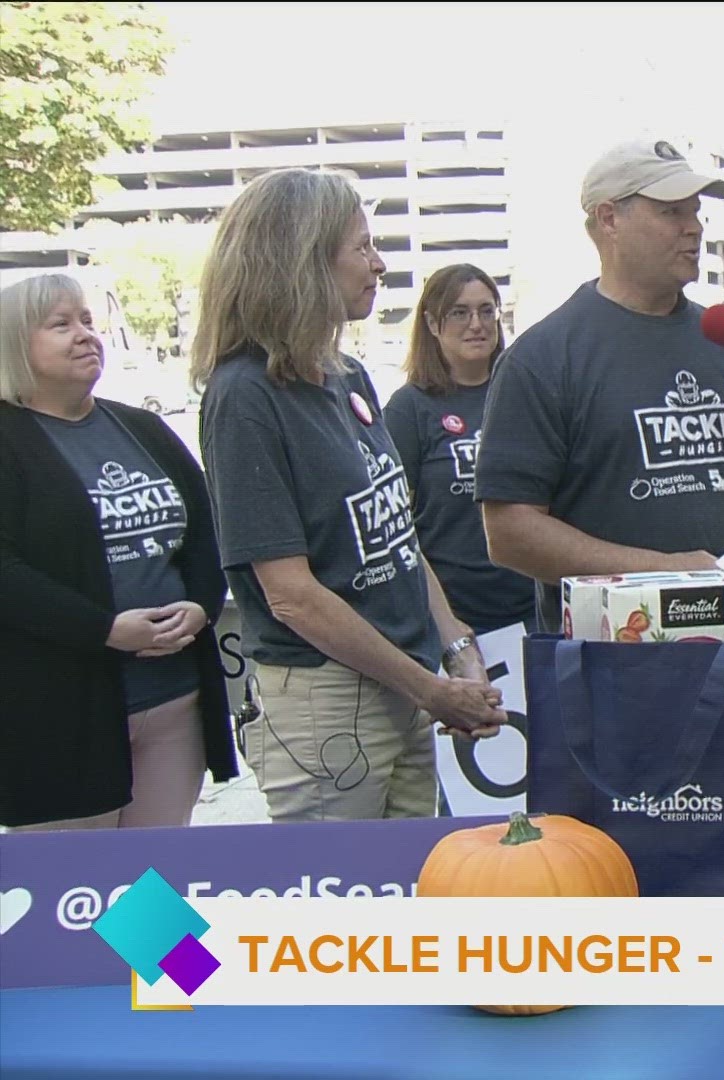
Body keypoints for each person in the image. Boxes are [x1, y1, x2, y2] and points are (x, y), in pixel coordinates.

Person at [193, 167, 505, 824]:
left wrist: (457, 649)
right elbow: (291, 595)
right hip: (327, 699)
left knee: (416, 891)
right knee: (338, 912)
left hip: (407, 682)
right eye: (361, 247)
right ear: (302, 260)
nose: (379, 264)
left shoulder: (348, 376)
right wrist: (430, 688)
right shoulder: (244, 396)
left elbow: (396, 538)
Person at [477, 137, 724, 626]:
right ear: (609, 218)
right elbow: (509, 533)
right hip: (618, 668)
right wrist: (669, 572)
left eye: (695, 212)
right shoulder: (543, 358)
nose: (693, 228)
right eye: (672, 212)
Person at [1, 274, 237, 830]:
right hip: (62, 712)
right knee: (73, 894)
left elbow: (207, 531)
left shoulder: (142, 428)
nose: (85, 335)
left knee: (153, 888)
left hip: (175, 699)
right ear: (14, 343)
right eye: (61, 325)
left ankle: (157, 928)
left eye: (86, 321)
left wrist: (202, 605)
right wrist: (104, 629)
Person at [383, 264, 536, 635]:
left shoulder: (524, 395)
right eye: (459, 312)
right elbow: (394, 527)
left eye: (487, 311)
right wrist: (446, 625)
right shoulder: (409, 409)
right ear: (433, 324)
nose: (477, 324)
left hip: (531, 607)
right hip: (453, 616)